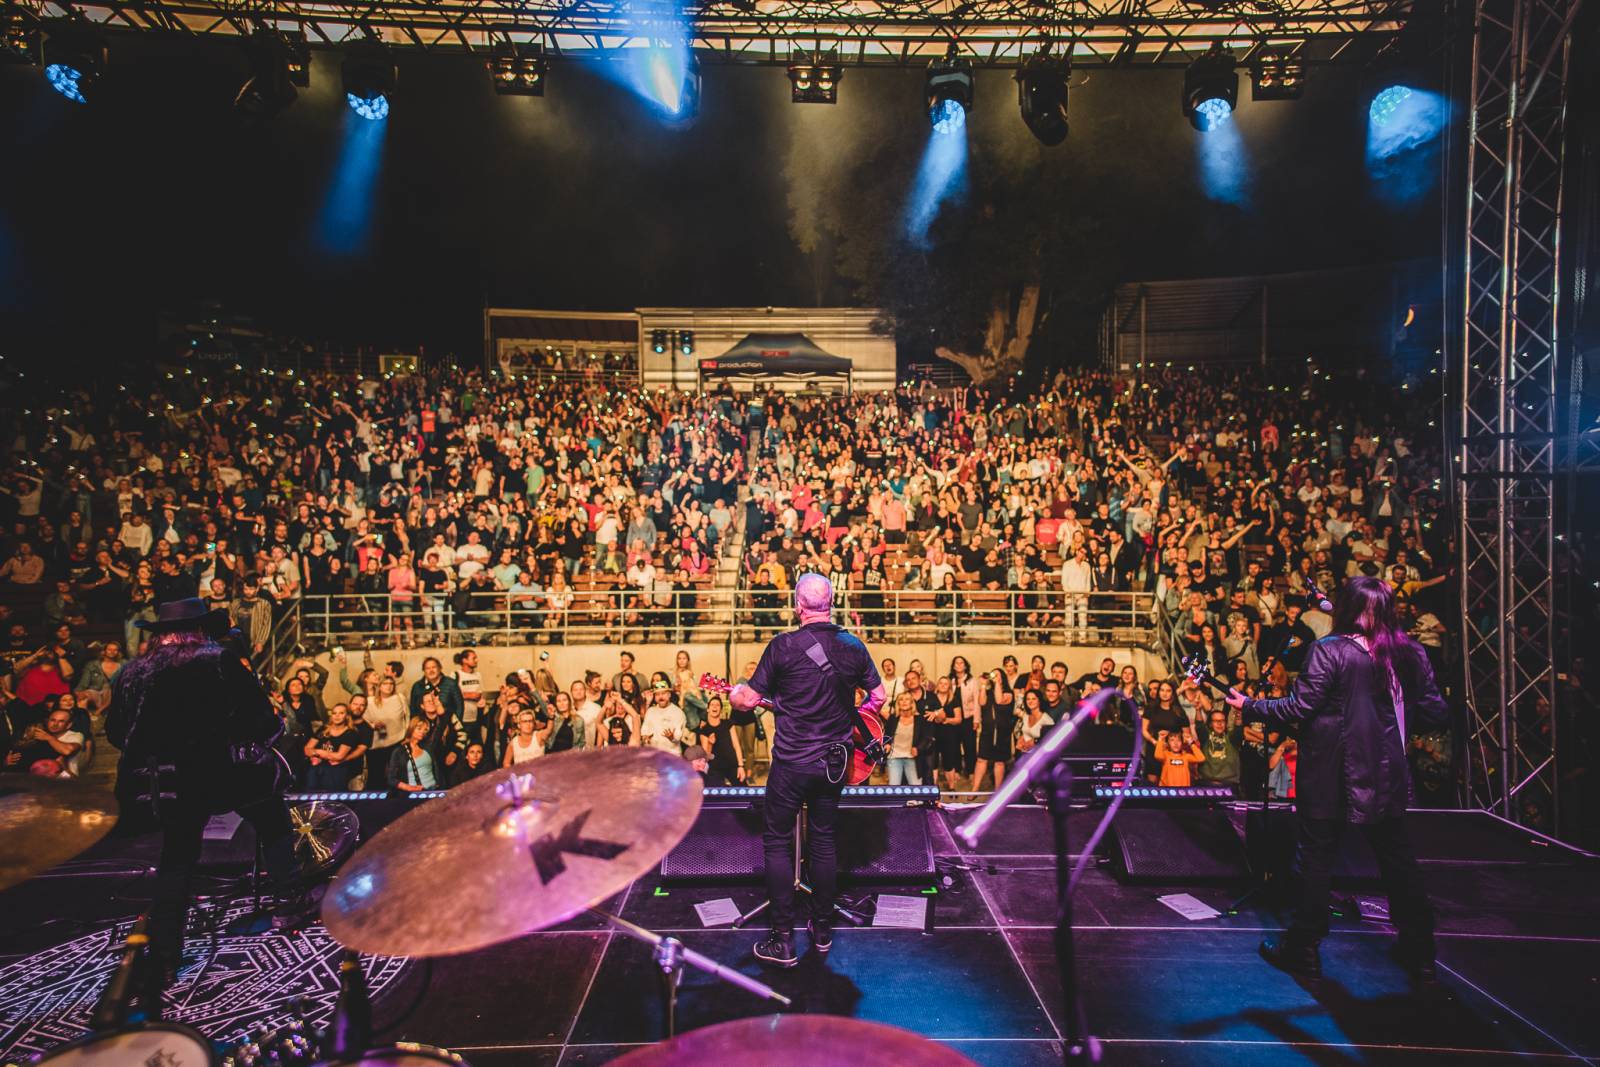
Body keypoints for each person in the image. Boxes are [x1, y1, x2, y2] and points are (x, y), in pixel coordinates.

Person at [1225, 576, 1447, 982]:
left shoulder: (1328, 651)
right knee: (1397, 861)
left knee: (1315, 859)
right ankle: (1420, 951)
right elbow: (1435, 713)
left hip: (1332, 774)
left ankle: (1303, 949)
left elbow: (1300, 706)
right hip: (1386, 774)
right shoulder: (1410, 652)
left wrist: (1251, 706)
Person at [104, 598, 306, 977]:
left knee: (177, 857)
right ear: (200, 628)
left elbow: (116, 731)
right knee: (273, 819)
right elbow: (261, 718)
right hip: (221, 770)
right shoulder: (216, 660)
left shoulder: (134, 672)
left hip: (166, 780)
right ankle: (290, 902)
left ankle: (165, 952)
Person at [731, 573, 886, 968]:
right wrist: (853, 718)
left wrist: (735, 693)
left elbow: (748, 701)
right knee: (824, 841)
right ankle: (821, 931)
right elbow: (879, 696)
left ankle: (783, 940)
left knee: (778, 841)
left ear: (797, 604)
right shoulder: (853, 645)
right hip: (835, 763)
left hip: (792, 763)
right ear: (831, 602)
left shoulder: (782, 646)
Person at [882, 692, 930, 786]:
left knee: (916, 788)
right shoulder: (893, 718)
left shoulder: (919, 719)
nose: (904, 702)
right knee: (894, 787)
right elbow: (886, 735)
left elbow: (926, 737)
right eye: (901, 699)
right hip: (894, 757)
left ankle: (916, 801)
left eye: (907, 699)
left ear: (912, 703)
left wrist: (918, 748)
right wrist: (887, 744)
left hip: (912, 758)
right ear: (898, 703)